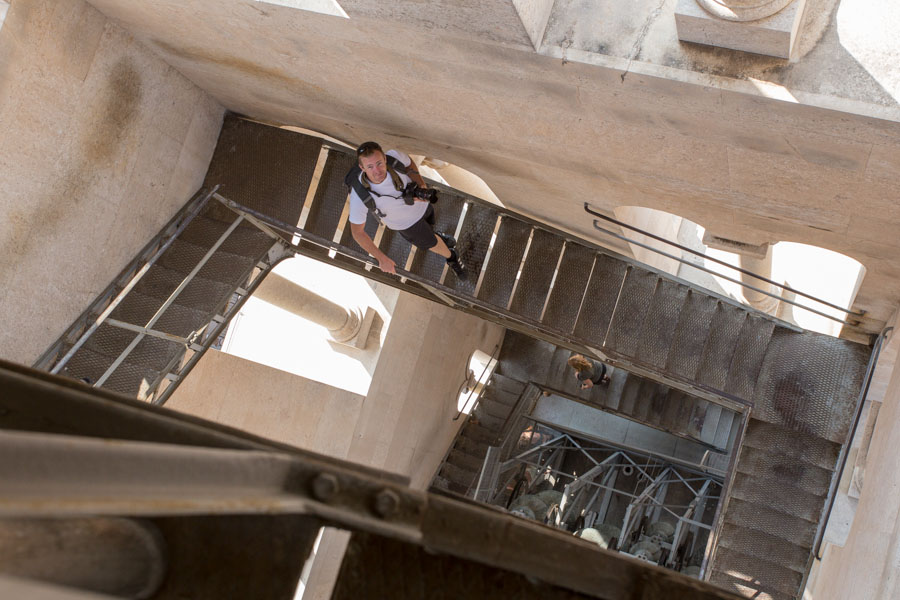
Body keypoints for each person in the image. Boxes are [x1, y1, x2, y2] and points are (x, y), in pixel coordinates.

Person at [347, 141, 466, 278]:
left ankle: (439, 237)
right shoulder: (360, 196)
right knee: (432, 243)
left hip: (423, 205)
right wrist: (381, 258)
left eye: (379, 163)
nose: (377, 171)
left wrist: (421, 185)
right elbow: (357, 232)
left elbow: (409, 164)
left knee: (430, 226)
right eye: (370, 166)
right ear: (362, 167)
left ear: (385, 158)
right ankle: (452, 257)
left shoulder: (394, 156)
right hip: (408, 226)